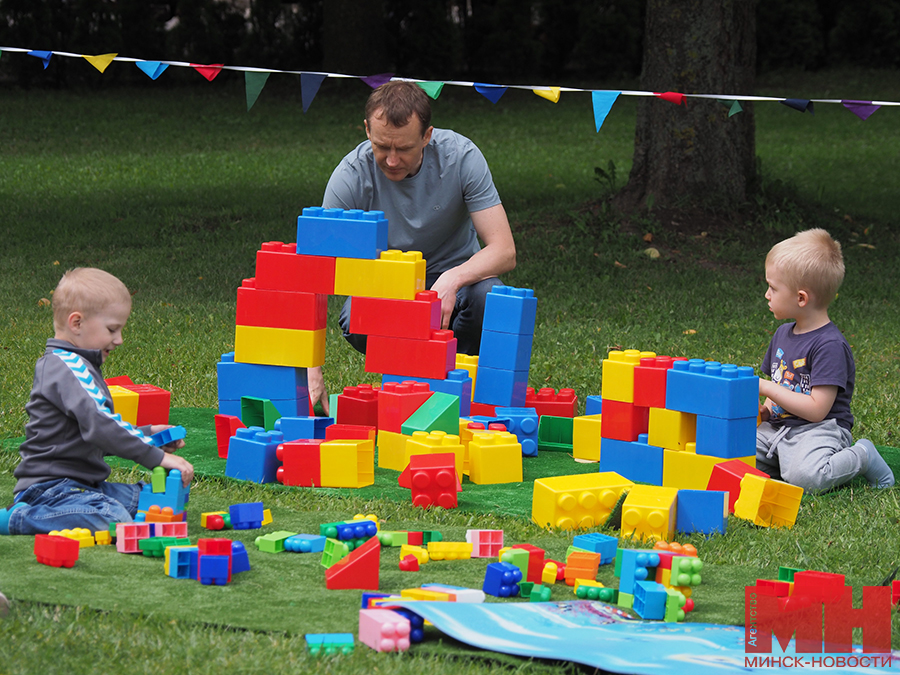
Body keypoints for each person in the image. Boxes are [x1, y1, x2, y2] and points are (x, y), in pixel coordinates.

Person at [307, 80, 517, 414]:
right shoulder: (350, 176)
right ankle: (411, 392)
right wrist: (311, 371)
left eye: (403, 149)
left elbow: (504, 250)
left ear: (427, 136)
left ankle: (466, 388)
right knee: (355, 317)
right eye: (381, 146)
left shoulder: (462, 157)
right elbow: (313, 275)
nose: (391, 160)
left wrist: (452, 278)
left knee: (491, 298)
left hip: (458, 288)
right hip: (388, 291)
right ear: (366, 130)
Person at [0, 268, 194, 536]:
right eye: (112, 329)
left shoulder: (78, 366)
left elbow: (97, 433)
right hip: (50, 488)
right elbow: (101, 424)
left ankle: (82, 508)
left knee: (148, 502)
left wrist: (148, 435)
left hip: (83, 485)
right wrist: (155, 456)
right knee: (113, 517)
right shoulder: (68, 367)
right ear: (76, 323)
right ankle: (21, 518)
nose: (119, 339)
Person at [756, 228, 894, 493]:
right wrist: (765, 410)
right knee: (730, 452)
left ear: (801, 298)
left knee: (807, 479)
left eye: (773, 287)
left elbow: (817, 409)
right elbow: (779, 382)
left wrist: (768, 388)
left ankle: (862, 455)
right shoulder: (782, 334)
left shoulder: (829, 345)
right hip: (778, 429)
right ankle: (784, 463)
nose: (767, 294)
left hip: (818, 430)